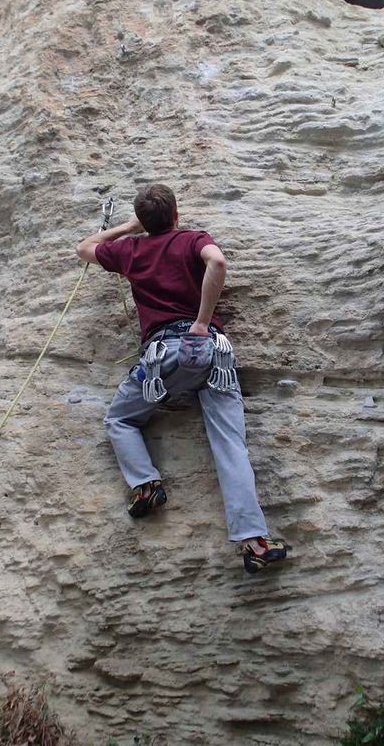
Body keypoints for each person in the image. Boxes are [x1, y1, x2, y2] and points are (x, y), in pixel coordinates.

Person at [76, 183, 288, 574]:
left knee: (120, 419)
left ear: (145, 221)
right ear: (176, 214)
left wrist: (127, 227)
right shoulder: (193, 240)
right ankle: (254, 543)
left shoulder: (131, 250)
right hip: (212, 353)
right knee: (230, 446)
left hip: (165, 357)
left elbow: (85, 248)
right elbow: (218, 263)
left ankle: (147, 485)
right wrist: (203, 322)